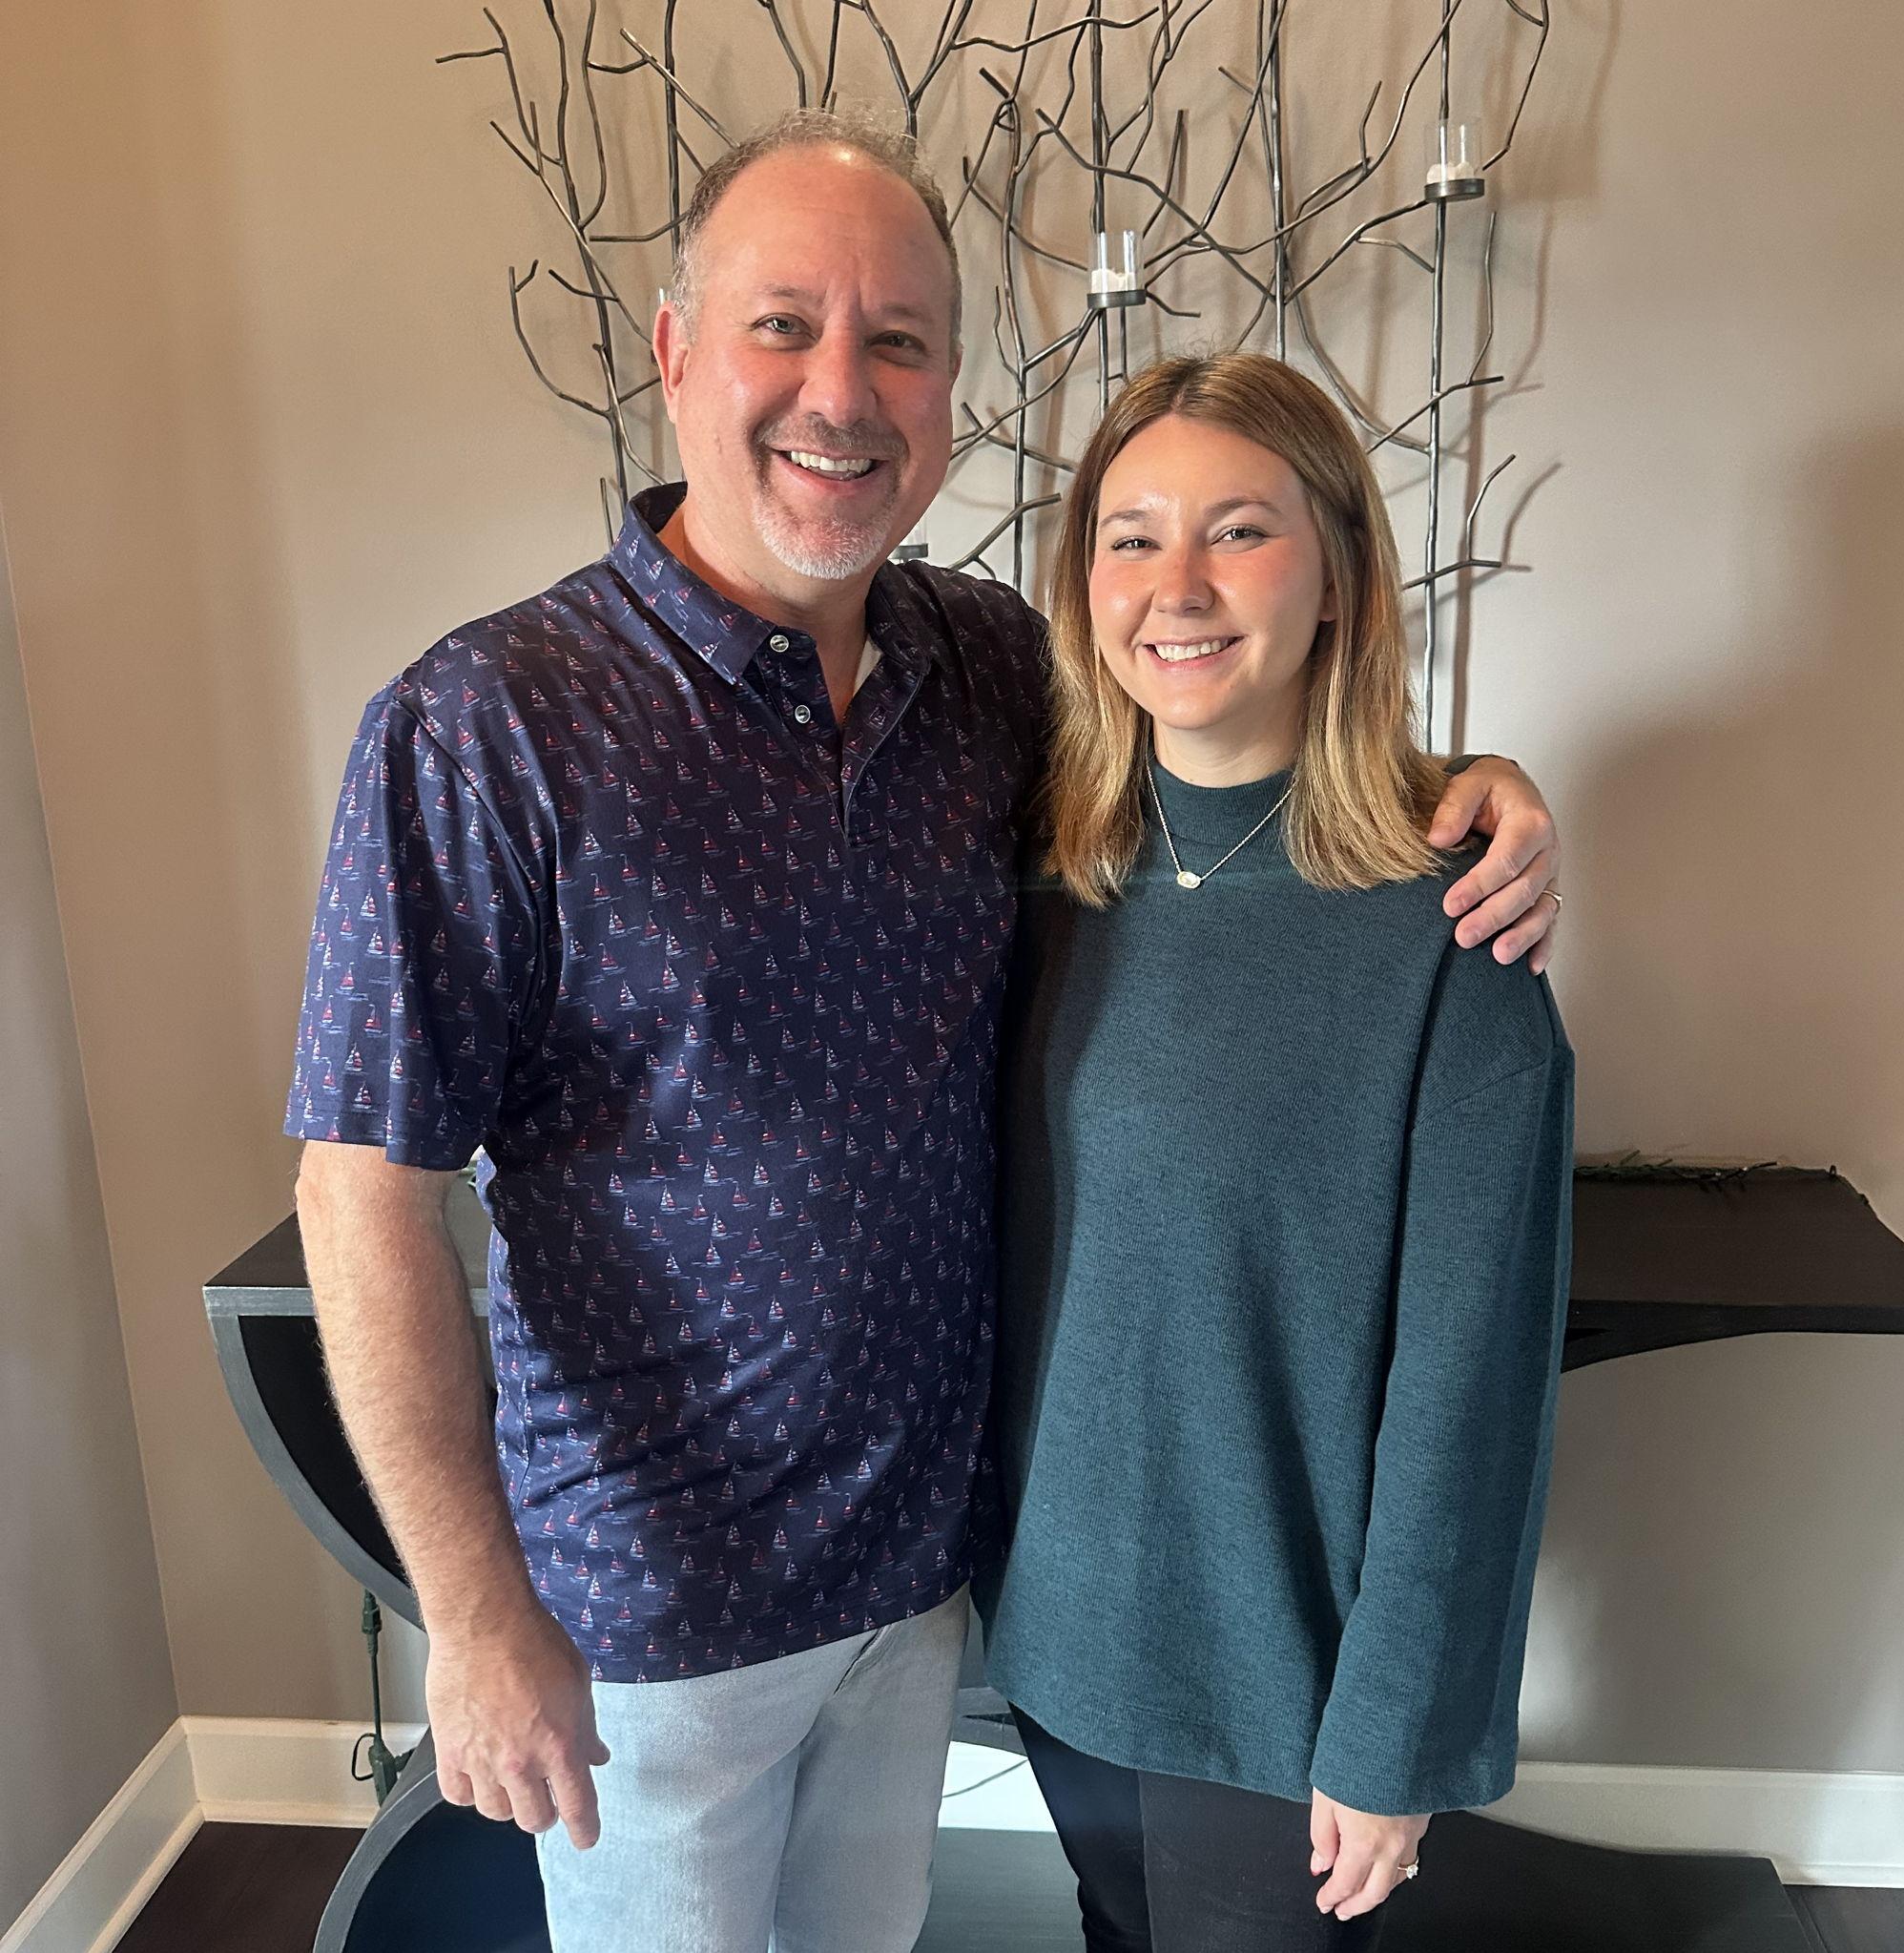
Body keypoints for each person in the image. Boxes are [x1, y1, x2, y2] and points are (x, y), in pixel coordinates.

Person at [286, 111, 1564, 1953]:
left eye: (896, 340)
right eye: (781, 325)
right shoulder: (489, 724)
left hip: (918, 1588)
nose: (840, 390)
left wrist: (1473, 786)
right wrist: (476, 1615)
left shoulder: (984, 676)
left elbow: (1232, 741)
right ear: (675, 351)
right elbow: (359, 1186)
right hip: (652, 1611)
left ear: (949, 392)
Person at [976, 351, 1575, 1953]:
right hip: (1055, 1634)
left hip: (1283, 1685)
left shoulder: (1451, 936)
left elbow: (1473, 1389)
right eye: (1130, 535)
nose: (1175, 585)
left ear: (1339, 574)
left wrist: (1398, 1730)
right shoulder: (1027, 889)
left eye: (1239, 530)